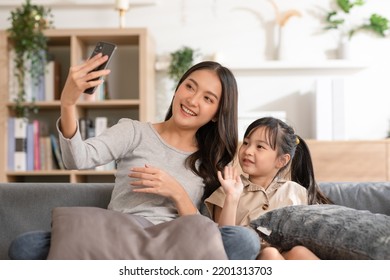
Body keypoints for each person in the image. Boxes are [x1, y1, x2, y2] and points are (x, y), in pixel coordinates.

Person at [8, 54, 260, 260]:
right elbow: (77, 159)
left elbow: (210, 234)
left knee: (243, 240)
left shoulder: (214, 160)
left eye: (207, 98)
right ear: (178, 88)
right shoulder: (133, 131)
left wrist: (177, 193)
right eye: (189, 86)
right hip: (118, 236)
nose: (192, 100)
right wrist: (67, 104)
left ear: (217, 113)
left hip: (174, 242)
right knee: (26, 246)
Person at [205, 117, 332, 260]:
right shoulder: (228, 189)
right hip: (250, 259)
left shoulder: (297, 192)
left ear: (281, 160)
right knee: (270, 254)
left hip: (287, 255)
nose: (248, 150)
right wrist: (231, 197)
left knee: (300, 252)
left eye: (260, 147)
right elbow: (225, 241)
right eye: (246, 143)